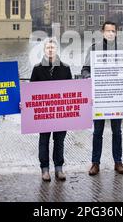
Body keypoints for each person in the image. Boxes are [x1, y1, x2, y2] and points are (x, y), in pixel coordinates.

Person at [82, 21, 123, 176]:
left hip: (116, 98)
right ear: (102, 32)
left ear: (116, 33)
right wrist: (89, 78)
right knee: (97, 132)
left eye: (113, 31)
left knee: (117, 131)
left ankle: (118, 162)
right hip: (100, 97)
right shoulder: (94, 49)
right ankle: (95, 163)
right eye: (107, 31)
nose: (110, 33)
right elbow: (85, 69)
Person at [30, 38, 72, 182]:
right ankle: (45, 169)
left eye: (53, 48)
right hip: (44, 113)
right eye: (48, 48)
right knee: (44, 140)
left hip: (60, 113)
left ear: (56, 50)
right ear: (44, 50)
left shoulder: (66, 68)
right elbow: (31, 92)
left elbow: (72, 92)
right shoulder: (37, 68)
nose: (50, 50)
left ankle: (59, 168)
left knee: (59, 140)